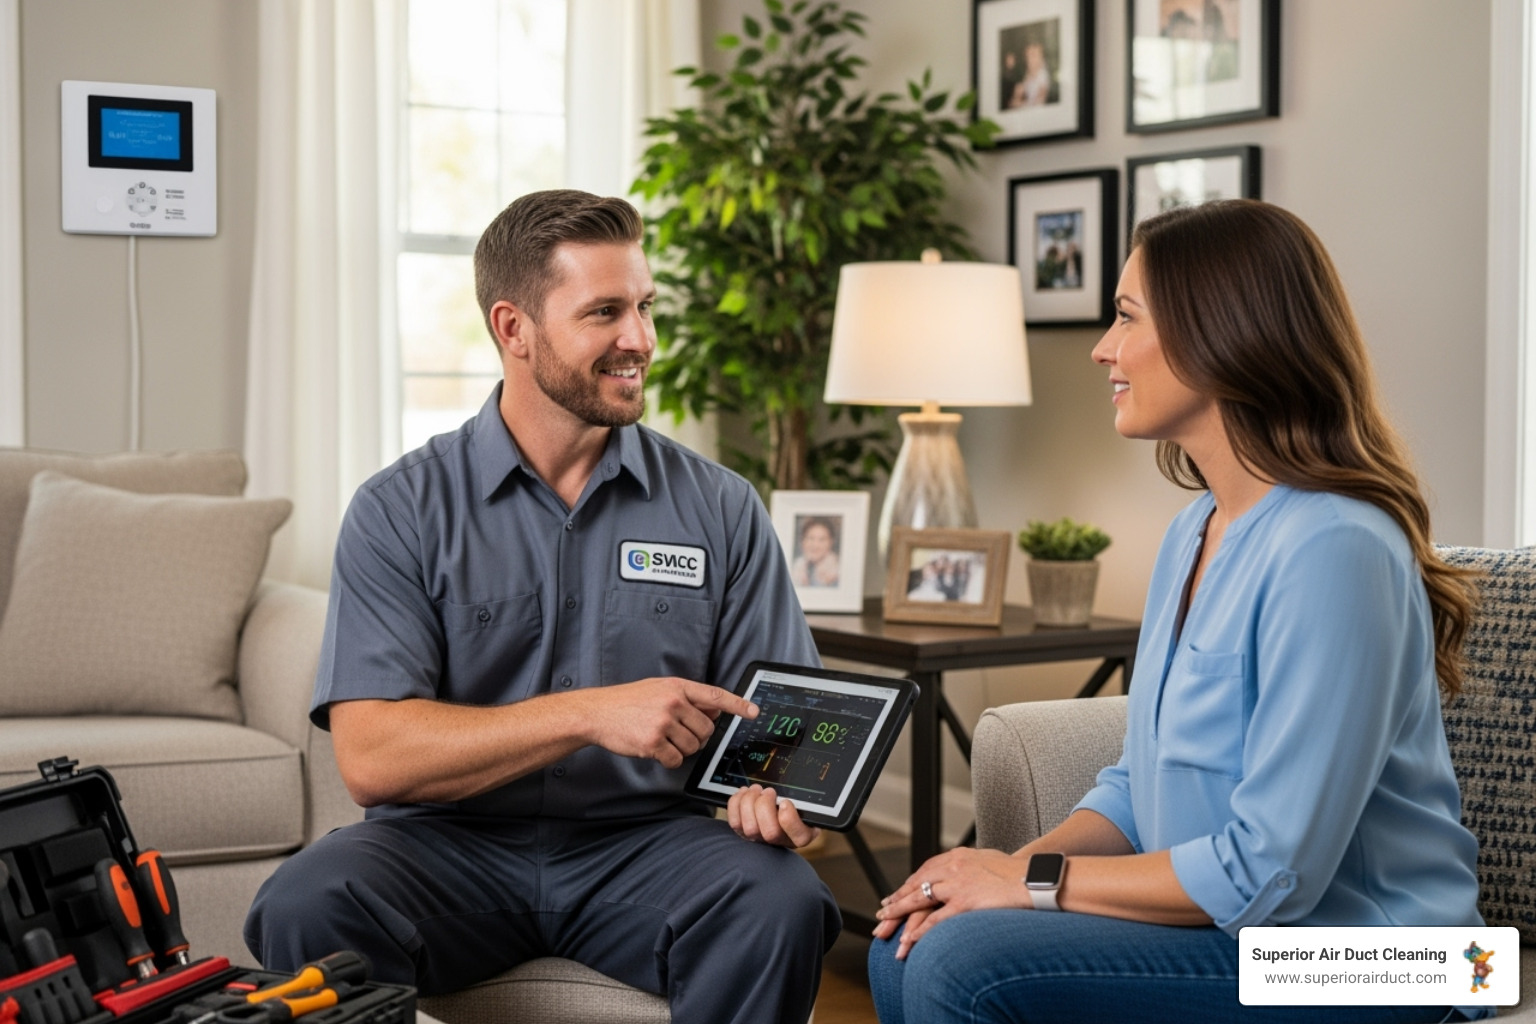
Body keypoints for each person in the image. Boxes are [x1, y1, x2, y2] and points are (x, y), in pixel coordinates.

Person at [866, 200, 1488, 1024]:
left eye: (1126, 316)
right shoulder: (1194, 529)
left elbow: (1272, 870)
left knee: (961, 964)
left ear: (1220, 330)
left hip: (1391, 959)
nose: (1102, 348)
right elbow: (1136, 786)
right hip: (1241, 933)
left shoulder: (1337, 547)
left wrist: (1026, 885)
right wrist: (992, 872)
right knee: (909, 934)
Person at [245, 189, 840, 1024]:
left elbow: (784, 731)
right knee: (305, 901)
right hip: (444, 848)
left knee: (783, 902)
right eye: (605, 312)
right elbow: (372, 758)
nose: (640, 340)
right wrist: (589, 715)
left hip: (653, 845)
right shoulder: (401, 508)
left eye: (644, 307)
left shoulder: (721, 507)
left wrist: (777, 796)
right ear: (513, 329)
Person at [791, 516, 840, 587]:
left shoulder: (837, 573)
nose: (815, 545)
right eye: (811, 538)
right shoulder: (795, 568)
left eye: (822, 539)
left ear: (831, 542)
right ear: (802, 541)